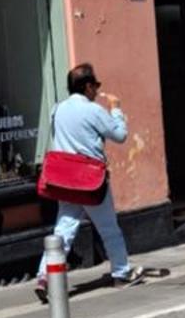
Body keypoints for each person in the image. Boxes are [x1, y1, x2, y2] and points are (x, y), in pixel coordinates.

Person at [36, 63, 143, 299]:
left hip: (65, 180)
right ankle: (121, 272)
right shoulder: (93, 110)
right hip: (90, 179)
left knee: (63, 229)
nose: (96, 90)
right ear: (87, 86)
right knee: (108, 228)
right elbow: (120, 135)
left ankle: (45, 276)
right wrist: (115, 108)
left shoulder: (57, 109)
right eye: (95, 85)